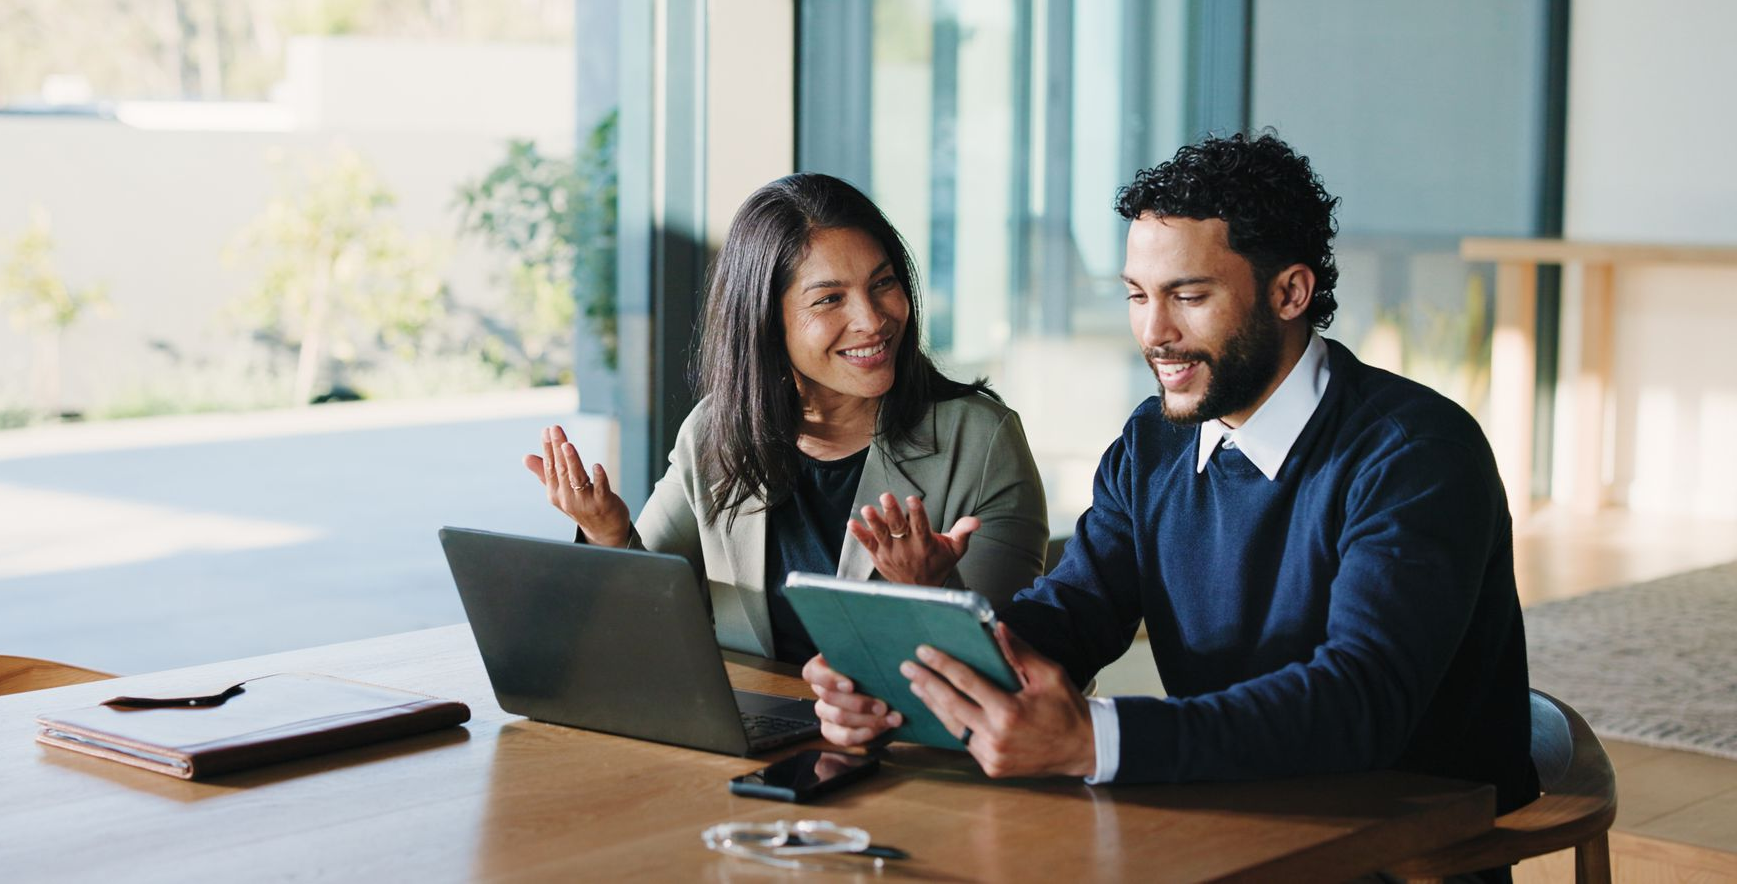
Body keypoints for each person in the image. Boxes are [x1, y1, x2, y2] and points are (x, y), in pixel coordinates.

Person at [806, 133, 1540, 825]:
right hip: (1224, 811)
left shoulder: (1415, 453)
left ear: (1289, 292)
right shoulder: (1155, 442)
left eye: (1188, 296)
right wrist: (905, 669)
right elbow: (1071, 614)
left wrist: (1097, 740)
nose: (1152, 332)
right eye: (1136, 294)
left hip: (1396, 838)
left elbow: (1361, 702)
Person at [525, 173, 1049, 664]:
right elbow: (645, 629)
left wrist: (928, 591)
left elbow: (1012, 664)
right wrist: (607, 534)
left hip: (911, 753)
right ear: (764, 321)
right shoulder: (714, 432)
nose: (872, 320)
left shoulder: (980, 440)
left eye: (883, 283)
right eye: (830, 300)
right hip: (757, 739)